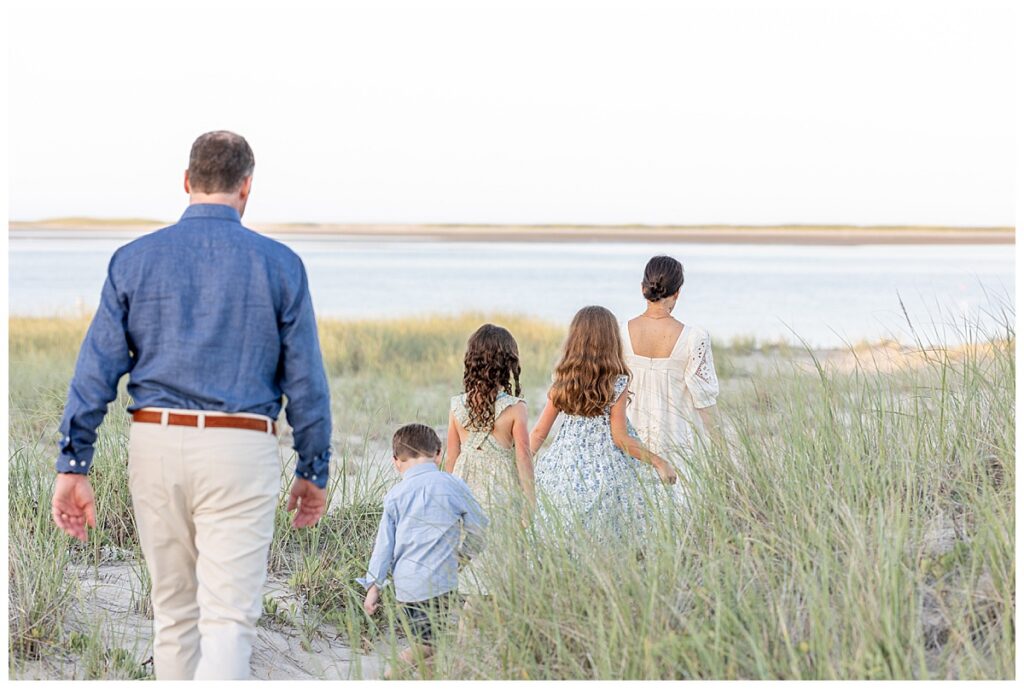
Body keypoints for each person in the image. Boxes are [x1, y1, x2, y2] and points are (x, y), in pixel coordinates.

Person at [49, 131, 332, 680]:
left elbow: (95, 371)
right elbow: (307, 383)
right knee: (228, 619)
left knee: (173, 615)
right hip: (240, 446)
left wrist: (73, 463)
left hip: (155, 442)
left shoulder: (133, 260)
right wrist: (312, 468)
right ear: (247, 187)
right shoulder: (281, 265)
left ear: (186, 182)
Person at [529, 305, 677, 546]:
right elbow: (620, 438)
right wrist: (659, 462)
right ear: (611, 341)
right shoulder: (616, 381)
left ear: (574, 340)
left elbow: (538, 432)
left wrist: (519, 463)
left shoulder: (563, 380)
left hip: (563, 467)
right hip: (605, 467)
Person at [360, 424, 487, 678]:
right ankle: (389, 676)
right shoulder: (453, 484)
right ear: (438, 454)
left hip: (407, 587)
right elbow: (480, 525)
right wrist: (464, 555)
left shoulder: (395, 494)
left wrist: (374, 587)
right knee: (427, 645)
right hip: (441, 582)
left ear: (396, 461)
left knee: (434, 644)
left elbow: (384, 545)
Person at [445, 323, 534, 596]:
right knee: (499, 556)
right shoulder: (515, 409)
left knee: (469, 554)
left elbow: (452, 458)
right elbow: (524, 459)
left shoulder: (457, 405)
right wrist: (529, 503)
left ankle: (470, 611)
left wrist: (446, 499)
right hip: (500, 493)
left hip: (465, 488)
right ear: (507, 363)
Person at [621, 256, 721, 484]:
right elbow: (704, 402)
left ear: (642, 288)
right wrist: (722, 450)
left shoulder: (620, 332)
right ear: (677, 293)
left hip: (631, 444)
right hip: (678, 444)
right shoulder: (694, 338)